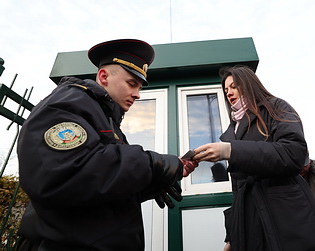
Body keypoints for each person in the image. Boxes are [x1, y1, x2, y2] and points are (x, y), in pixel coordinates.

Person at [16, 39, 197, 250]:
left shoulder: (105, 118)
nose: (137, 94)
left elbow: (98, 185)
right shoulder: (69, 102)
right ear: (104, 76)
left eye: (139, 87)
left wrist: (150, 183)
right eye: (131, 83)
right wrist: (154, 165)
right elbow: (65, 173)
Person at [192, 65, 315, 251]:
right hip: (249, 221)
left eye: (235, 86)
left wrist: (231, 151)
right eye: (226, 89)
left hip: (285, 212)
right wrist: (232, 236)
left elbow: (294, 153)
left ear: (249, 84)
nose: (229, 93)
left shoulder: (276, 107)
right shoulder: (232, 130)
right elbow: (237, 190)